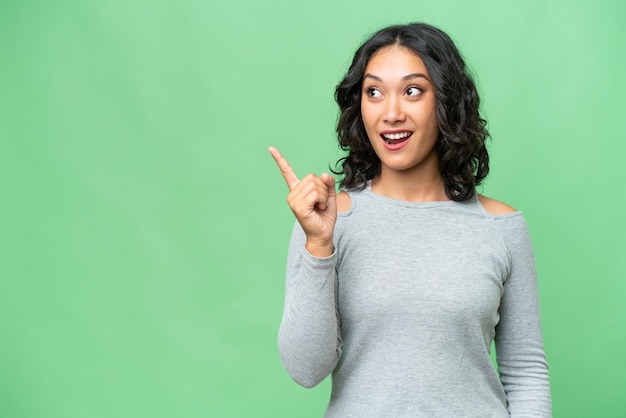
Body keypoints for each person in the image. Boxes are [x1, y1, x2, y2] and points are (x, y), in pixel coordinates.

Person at [269, 22, 551, 417]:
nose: (391, 113)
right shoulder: (328, 223)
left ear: (446, 102)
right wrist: (318, 246)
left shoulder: (502, 227)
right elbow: (305, 370)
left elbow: (526, 372)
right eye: (374, 92)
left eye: (413, 90)